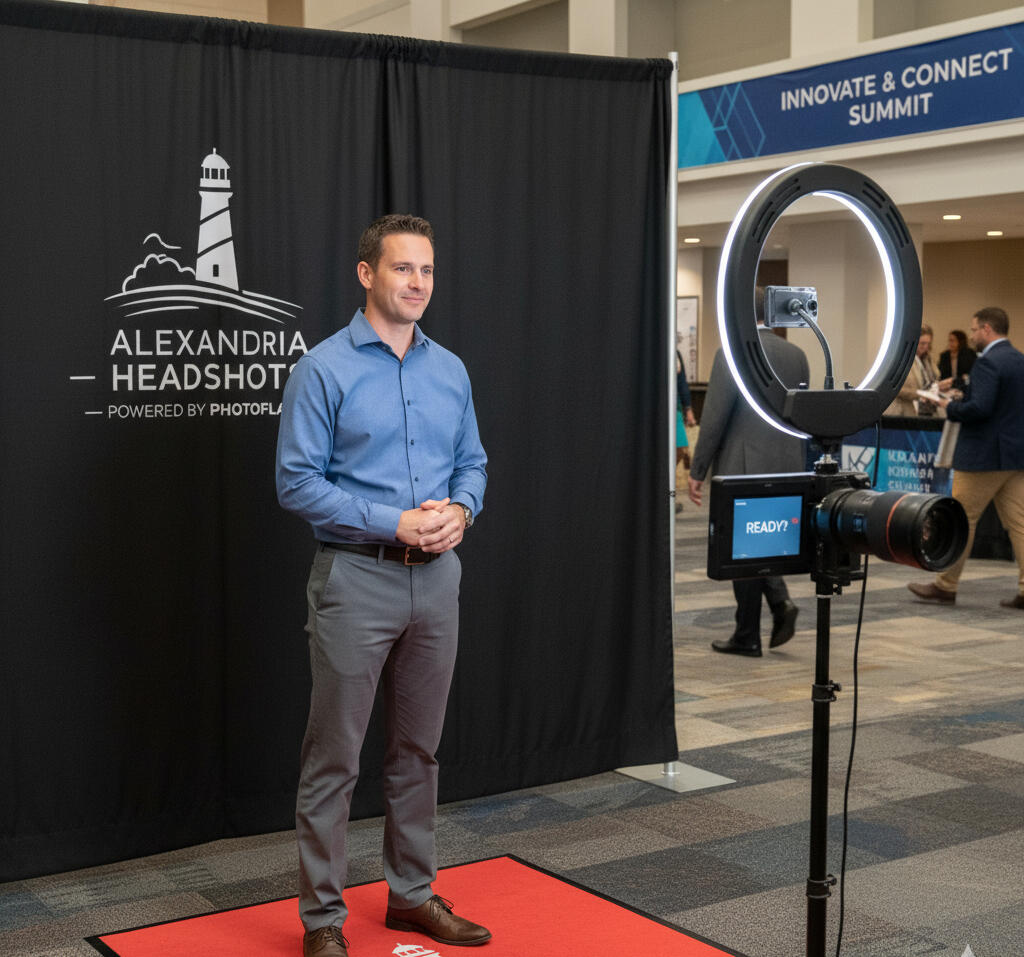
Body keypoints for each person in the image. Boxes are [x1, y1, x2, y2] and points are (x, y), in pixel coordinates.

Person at [276, 214, 490, 956]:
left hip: (437, 582)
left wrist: (462, 510)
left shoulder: (450, 369)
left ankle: (412, 895)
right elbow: (296, 482)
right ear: (367, 274)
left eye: (427, 270)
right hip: (354, 579)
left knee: (417, 752)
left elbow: (473, 462)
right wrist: (391, 521)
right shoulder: (323, 369)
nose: (418, 283)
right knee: (335, 758)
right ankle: (322, 921)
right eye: (403, 268)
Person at [688, 289, 809, 656]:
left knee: (742, 549)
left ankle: (748, 634)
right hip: (787, 466)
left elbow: (714, 419)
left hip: (743, 467)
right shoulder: (797, 355)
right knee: (764, 542)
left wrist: (697, 469)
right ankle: (777, 604)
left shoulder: (732, 353)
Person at [907, 307, 1024, 610]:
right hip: (1014, 456)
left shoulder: (988, 362)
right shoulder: (1018, 360)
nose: (971, 336)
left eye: (973, 330)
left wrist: (950, 406)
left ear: (986, 329)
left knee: (960, 519)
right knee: (1020, 523)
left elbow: (980, 408)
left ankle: (945, 585)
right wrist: (963, 390)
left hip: (982, 457)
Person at [886, 324, 941, 416]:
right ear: (914, 342)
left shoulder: (928, 359)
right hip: (906, 410)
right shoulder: (901, 359)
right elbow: (893, 388)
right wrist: (920, 393)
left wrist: (940, 386)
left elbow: (932, 381)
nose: (925, 347)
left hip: (927, 410)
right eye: (922, 343)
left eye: (928, 344)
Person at [937, 328, 976, 392]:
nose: (950, 343)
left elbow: (969, 374)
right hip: (947, 388)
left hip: (965, 387)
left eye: (952, 341)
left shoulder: (969, 354)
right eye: (949, 340)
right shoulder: (944, 356)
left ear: (960, 342)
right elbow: (941, 374)